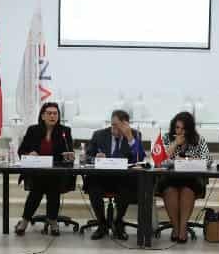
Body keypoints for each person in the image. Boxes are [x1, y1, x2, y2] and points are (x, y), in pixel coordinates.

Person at [15, 102, 77, 236]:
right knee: (37, 189)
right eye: (49, 113)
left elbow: (69, 151)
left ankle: (52, 220)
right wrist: (29, 153)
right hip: (37, 171)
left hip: (56, 172)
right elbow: (21, 151)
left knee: (52, 187)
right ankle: (26, 220)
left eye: (55, 113)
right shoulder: (33, 130)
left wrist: (70, 155)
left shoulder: (64, 131)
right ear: (43, 116)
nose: (52, 116)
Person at [83, 110, 144, 241]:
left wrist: (130, 138)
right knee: (93, 186)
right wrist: (95, 158)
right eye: (112, 125)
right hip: (102, 177)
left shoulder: (134, 135)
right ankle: (102, 223)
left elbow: (140, 159)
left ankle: (118, 221)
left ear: (126, 125)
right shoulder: (99, 135)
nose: (114, 129)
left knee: (128, 186)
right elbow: (87, 157)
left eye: (117, 125)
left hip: (123, 178)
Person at [159, 111, 211, 244]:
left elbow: (208, 160)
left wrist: (187, 160)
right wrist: (175, 143)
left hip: (191, 178)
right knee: (170, 191)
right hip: (170, 178)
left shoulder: (198, 139)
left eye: (184, 129)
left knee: (187, 191)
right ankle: (175, 228)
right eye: (177, 128)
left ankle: (182, 228)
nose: (180, 131)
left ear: (189, 129)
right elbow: (160, 160)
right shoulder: (166, 138)